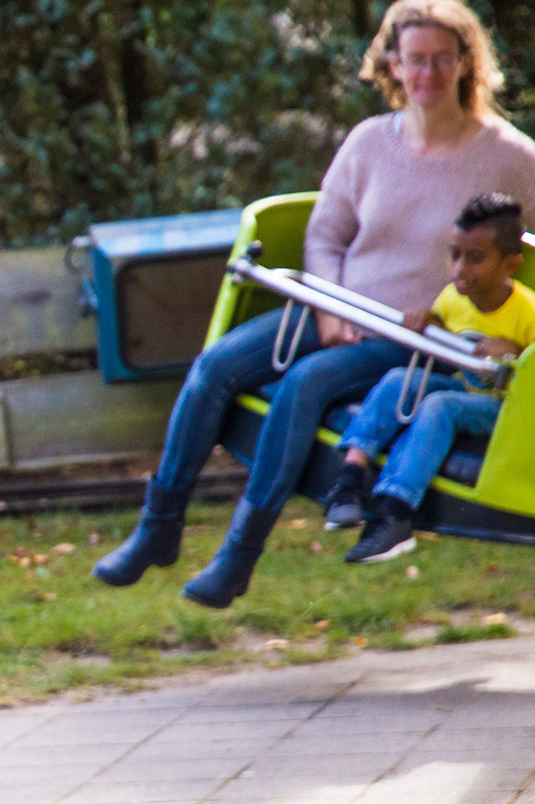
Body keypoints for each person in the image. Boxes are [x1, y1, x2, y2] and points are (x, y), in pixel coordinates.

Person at [93, 0, 535, 607]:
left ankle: (238, 554)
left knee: (305, 384)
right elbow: (324, 235)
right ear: (394, 67)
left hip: (412, 334)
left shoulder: (510, 158)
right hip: (337, 304)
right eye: (415, 61)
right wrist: (330, 309)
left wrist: (509, 335)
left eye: (441, 59)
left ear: (466, 63)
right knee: (215, 367)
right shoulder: (369, 143)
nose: (427, 74)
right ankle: (159, 525)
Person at [328, 193, 534, 561]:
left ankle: (396, 514)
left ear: (510, 265)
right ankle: (349, 479)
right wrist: (429, 321)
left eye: (476, 259)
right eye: (454, 254)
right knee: (396, 380)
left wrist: (517, 355)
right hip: (467, 387)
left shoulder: (527, 312)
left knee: (440, 405)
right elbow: (442, 326)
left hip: (507, 411)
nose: (459, 270)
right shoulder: (453, 299)